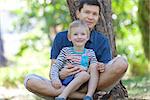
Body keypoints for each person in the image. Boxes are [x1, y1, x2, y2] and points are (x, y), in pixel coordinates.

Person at [24, 0, 128, 99]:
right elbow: (54, 68)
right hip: (65, 82)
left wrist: (98, 67)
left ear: (98, 17)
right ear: (78, 13)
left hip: (90, 84)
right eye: (87, 12)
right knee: (29, 81)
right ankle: (84, 97)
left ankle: (70, 95)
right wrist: (61, 74)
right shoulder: (61, 37)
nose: (90, 17)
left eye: (94, 14)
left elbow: (104, 70)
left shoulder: (102, 40)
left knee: (121, 63)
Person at [51, 20, 99, 100]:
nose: (79, 37)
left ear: (87, 37)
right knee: (85, 75)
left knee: (92, 68)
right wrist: (55, 79)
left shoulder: (90, 52)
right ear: (70, 37)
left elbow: (93, 69)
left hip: (84, 82)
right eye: (75, 34)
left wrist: (86, 69)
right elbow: (56, 66)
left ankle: (89, 95)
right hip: (68, 79)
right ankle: (63, 95)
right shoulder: (65, 51)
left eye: (83, 34)